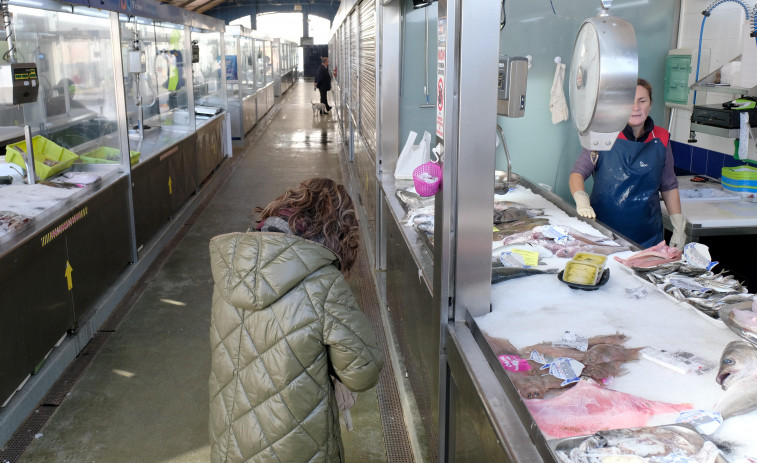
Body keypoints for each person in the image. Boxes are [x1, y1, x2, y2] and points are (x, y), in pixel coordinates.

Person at [208, 177, 384, 463]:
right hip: (297, 447)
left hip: (232, 442)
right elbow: (362, 371)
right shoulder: (323, 282)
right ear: (338, 233)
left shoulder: (231, 269)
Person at [569, 78, 686, 250]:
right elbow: (578, 173)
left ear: (650, 104)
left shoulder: (661, 138)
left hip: (648, 239)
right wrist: (581, 199)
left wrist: (678, 227)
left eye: (642, 101)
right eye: (629, 102)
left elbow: (669, 185)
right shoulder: (603, 134)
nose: (635, 108)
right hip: (604, 235)